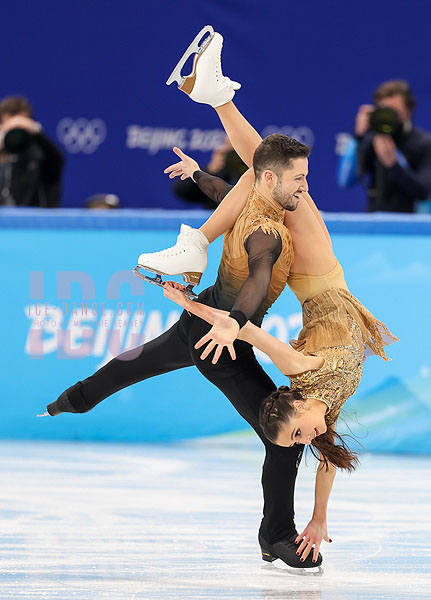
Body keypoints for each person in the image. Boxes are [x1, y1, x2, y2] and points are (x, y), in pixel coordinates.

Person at [40, 30, 319, 572]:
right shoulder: (269, 231)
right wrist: (234, 322)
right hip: (220, 337)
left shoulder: (261, 201)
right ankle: (277, 538)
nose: (307, 186)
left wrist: (198, 175)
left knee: (129, 367)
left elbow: (232, 191)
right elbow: (260, 277)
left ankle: (66, 402)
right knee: (281, 438)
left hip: (210, 322)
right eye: (300, 178)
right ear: (271, 180)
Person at [136, 27, 398, 564]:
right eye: (306, 438)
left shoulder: (300, 370)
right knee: (270, 181)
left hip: (319, 284)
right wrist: (319, 517)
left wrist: (202, 310)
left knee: (271, 178)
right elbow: (327, 461)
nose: (310, 437)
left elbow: (251, 329)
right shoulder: (327, 413)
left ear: (297, 406)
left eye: (298, 433)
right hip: (326, 285)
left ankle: (216, 108)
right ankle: (214, 103)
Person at [339, 80, 431, 212]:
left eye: (395, 111)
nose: (391, 117)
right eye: (385, 111)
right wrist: (358, 138)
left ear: (409, 109)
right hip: (375, 227)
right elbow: (345, 180)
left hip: (412, 228)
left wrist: (393, 165)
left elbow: (424, 192)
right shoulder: (371, 142)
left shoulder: (424, 143)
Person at [0, 95, 64, 207]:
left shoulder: (41, 156)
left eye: (20, 127)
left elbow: (58, 159)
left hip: (36, 222)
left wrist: (37, 132)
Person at [172, 136, 247, 209]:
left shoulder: (253, 171)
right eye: (229, 150)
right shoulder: (218, 173)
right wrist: (210, 170)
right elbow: (181, 191)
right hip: (217, 215)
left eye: (235, 150)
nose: (233, 157)